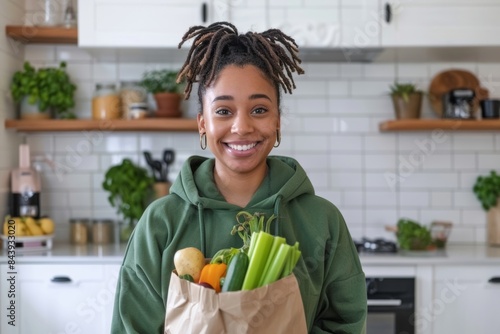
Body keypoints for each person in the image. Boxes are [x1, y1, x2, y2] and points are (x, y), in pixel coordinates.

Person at [111, 21, 367, 333]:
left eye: (259, 110)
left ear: (277, 122)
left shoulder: (322, 221)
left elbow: (347, 324)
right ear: (202, 123)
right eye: (223, 111)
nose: (242, 127)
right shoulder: (161, 224)